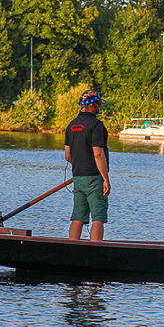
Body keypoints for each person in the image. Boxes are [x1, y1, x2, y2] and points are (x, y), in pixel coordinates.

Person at [65, 89, 111, 241]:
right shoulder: (96, 125)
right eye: (98, 104)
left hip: (78, 177)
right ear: (92, 105)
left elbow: (68, 155)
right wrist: (105, 178)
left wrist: (81, 167)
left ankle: (71, 249)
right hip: (94, 178)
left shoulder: (71, 125)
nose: (100, 107)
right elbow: (98, 154)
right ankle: (95, 252)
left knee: (78, 216)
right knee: (98, 217)